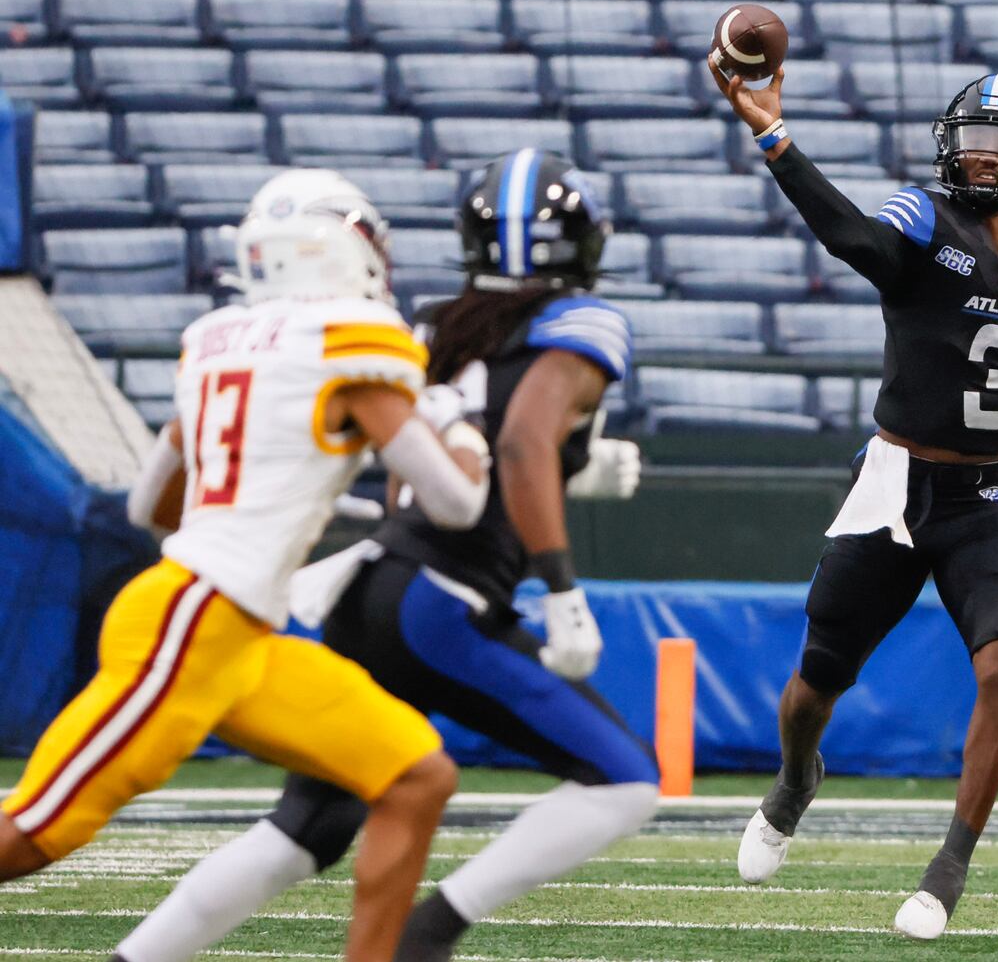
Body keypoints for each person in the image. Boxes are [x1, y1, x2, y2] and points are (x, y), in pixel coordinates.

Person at [109, 148, 659, 962]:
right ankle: (429, 934)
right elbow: (516, 443)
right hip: (444, 599)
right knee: (625, 778)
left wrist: (569, 472)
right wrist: (560, 585)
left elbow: (444, 463)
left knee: (309, 824)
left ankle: (137, 957)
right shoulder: (586, 322)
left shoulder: (432, 324)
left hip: (374, 585)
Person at [0, 169, 493, 960]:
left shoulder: (215, 343)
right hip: (192, 621)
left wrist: (271, 493)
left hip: (231, 630)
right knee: (31, 833)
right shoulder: (349, 343)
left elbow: (148, 509)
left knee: (415, 776)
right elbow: (454, 503)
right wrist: (460, 428)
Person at [711, 64, 998, 940]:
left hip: (983, 496)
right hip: (893, 485)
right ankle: (797, 780)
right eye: (974, 143)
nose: (985, 160)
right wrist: (776, 141)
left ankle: (947, 869)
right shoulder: (920, 215)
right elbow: (857, 245)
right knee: (812, 687)